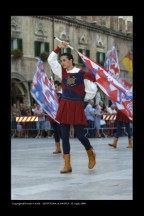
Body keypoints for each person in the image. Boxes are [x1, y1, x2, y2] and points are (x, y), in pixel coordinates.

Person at [48, 40, 97, 173]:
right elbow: (51, 60)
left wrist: (82, 100)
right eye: (61, 60)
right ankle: (67, 165)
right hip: (64, 105)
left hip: (76, 106)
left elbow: (92, 90)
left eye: (64, 60)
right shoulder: (62, 72)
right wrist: (58, 47)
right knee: (64, 135)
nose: (62, 63)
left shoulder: (82, 74)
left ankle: (90, 152)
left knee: (80, 135)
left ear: (71, 60)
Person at [48, 80, 62, 154]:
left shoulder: (61, 95)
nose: (54, 88)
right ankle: (58, 148)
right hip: (53, 117)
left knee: (60, 131)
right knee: (56, 132)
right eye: (53, 86)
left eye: (55, 86)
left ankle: (66, 147)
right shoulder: (51, 95)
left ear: (59, 87)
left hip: (60, 117)